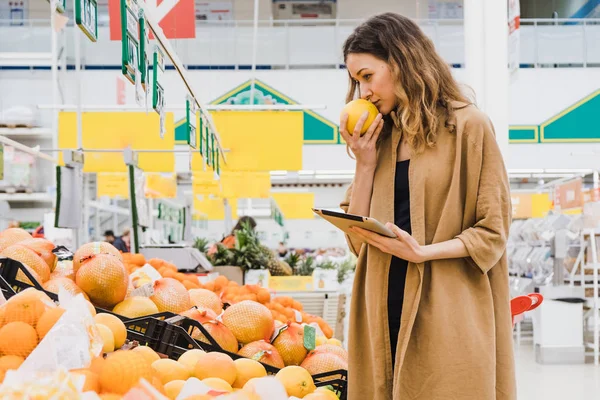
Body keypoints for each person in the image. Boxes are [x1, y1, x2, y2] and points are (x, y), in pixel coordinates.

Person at [339, 13, 515, 400]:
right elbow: (358, 242)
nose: (362, 92)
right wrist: (364, 163)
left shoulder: (469, 126)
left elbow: (493, 231)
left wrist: (421, 253)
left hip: (446, 306)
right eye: (356, 81)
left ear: (401, 61)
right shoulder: (379, 137)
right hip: (380, 302)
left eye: (367, 76)